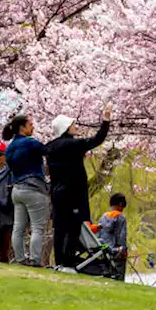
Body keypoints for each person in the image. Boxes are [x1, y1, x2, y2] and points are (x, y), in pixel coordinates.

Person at [45, 103, 111, 267]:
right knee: (74, 225)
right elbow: (98, 139)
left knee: (59, 228)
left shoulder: (50, 146)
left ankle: (59, 261)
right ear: (65, 128)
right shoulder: (72, 144)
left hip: (57, 192)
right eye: (72, 124)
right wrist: (106, 121)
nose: (75, 127)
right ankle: (68, 261)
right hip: (72, 192)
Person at [3, 114, 48, 266]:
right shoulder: (30, 143)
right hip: (34, 188)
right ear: (22, 127)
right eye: (30, 124)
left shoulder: (9, 148)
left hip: (17, 190)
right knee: (37, 227)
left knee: (18, 228)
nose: (33, 126)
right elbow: (47, 150)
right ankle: (35, 260)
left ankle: (20, 259)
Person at [94, 192, 128, 281]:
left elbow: (99, 234)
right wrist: (123, 250)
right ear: (120, 204)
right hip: (115, 252)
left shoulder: (104, 217)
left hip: (104, 249)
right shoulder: (121, 218)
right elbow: (121, 236)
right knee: (118, 276)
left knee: (106, 274)